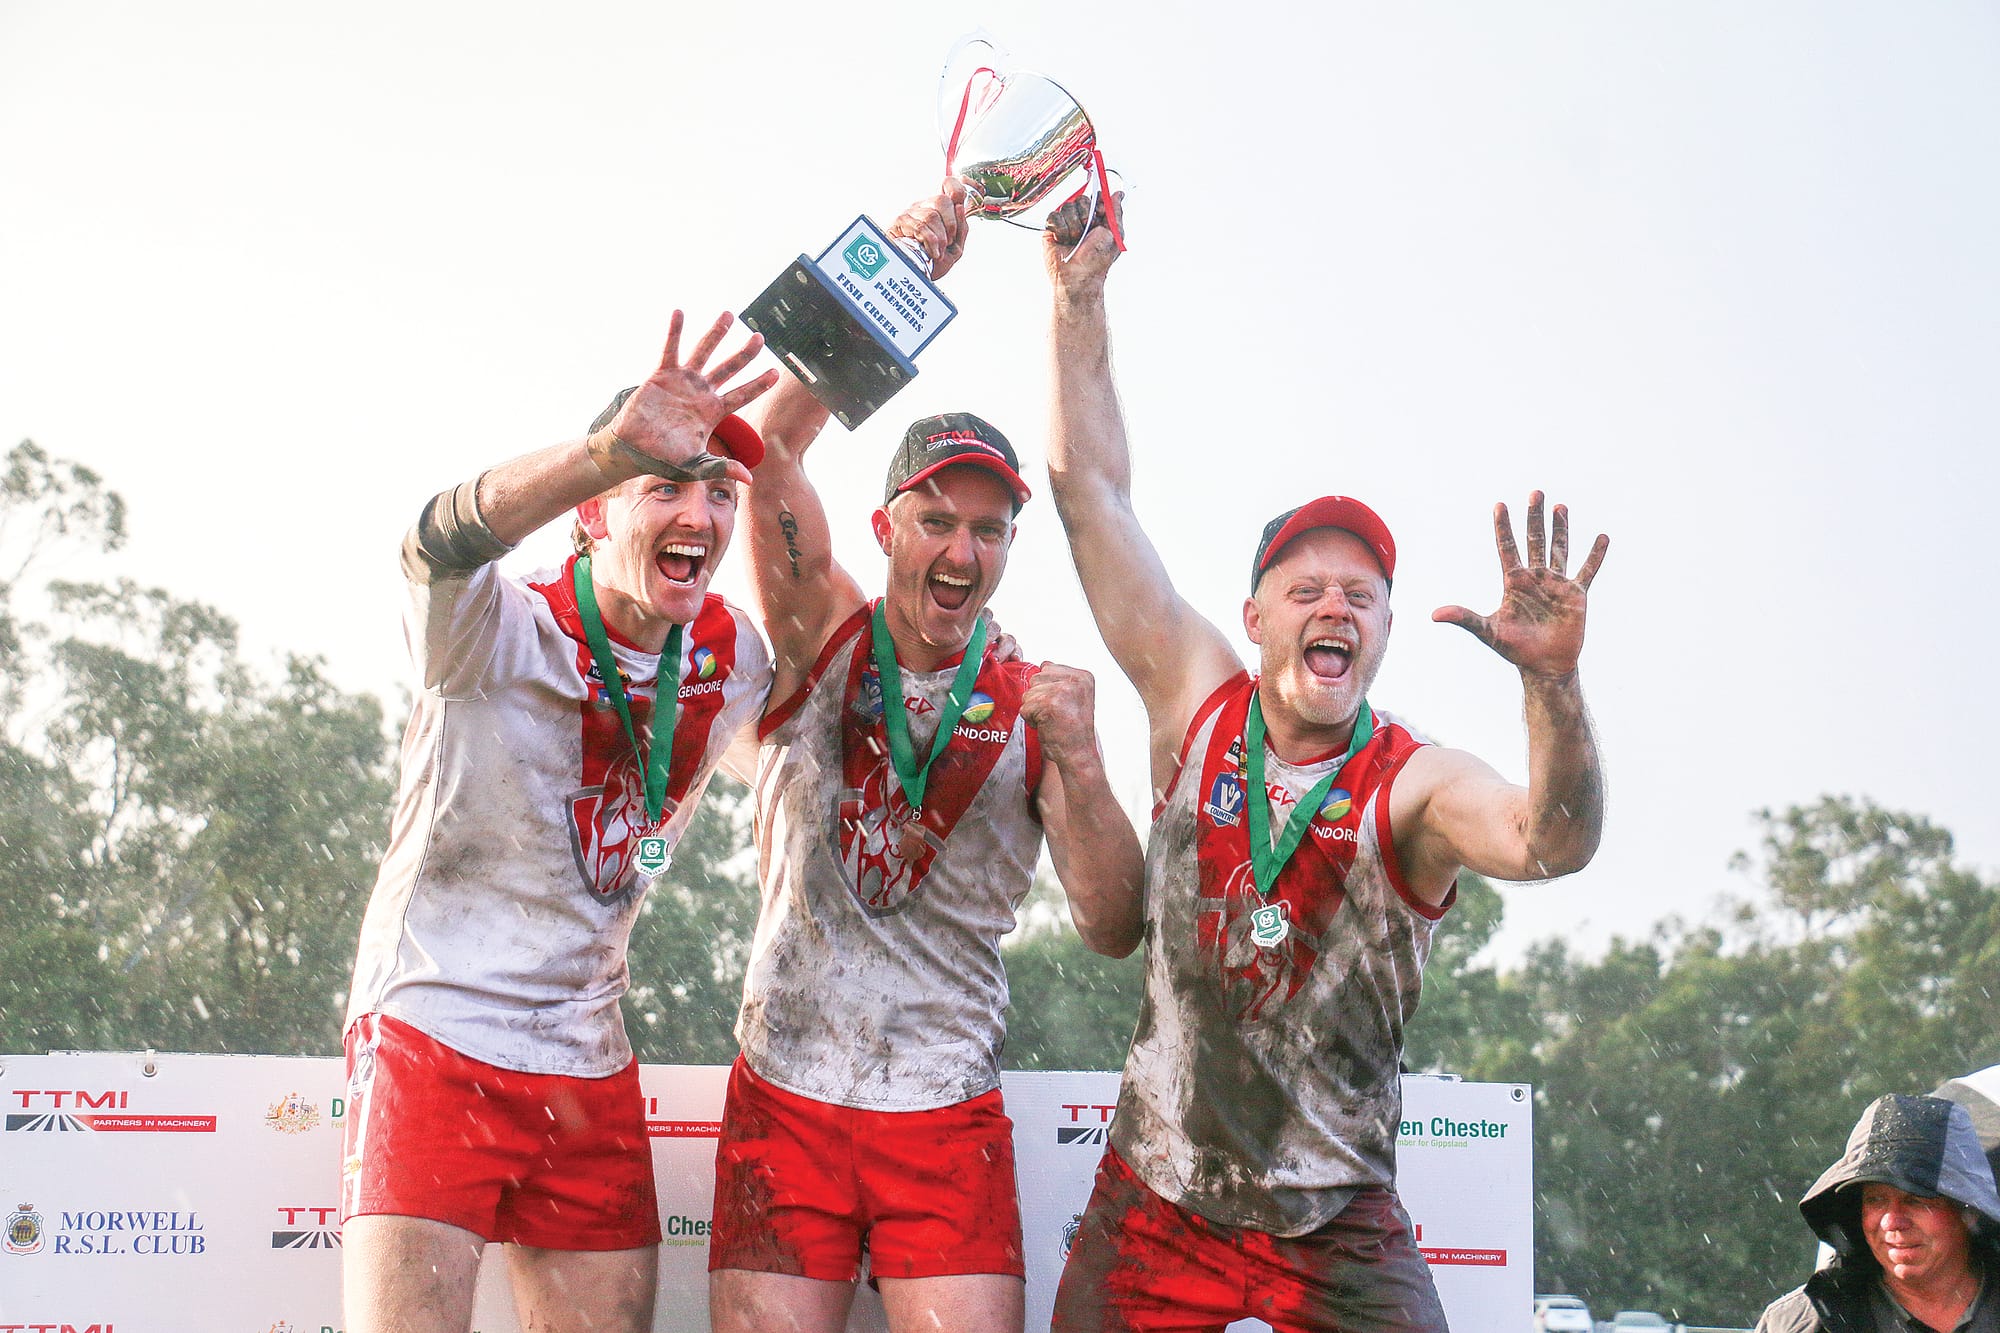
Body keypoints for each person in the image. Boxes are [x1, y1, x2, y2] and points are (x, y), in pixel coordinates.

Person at [1040, 194, 1610, 1332]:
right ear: (1253, 617)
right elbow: (1088, 493)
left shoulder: (1415, 783)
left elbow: (1553, 841)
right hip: (1159, 1197)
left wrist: (1548, 681)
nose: (1332, 607)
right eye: (1305, 589)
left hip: (1336, 1217)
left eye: (1359, 595)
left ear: (1385, 630)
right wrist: (1075, 297)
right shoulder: (1195, 699)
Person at [704, 188, 1147, 1333]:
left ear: (1007, 545)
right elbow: (764, 443)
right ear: (886, 525)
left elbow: (1112, 925)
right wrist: (890, 283)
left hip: (941, 1106)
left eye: (986, 528)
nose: (960, 549)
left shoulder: (1033, 701)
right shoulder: (821, 629)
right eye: (935, 519)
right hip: (786, 1087)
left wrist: (1085, 767)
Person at [339, 312, 778, 1333]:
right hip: (434, 1029)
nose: (700, 511)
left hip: (585, 1059)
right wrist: (595, 455)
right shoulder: (499, 628)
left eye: (718, 488)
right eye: (662, 483)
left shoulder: (734, 658)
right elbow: (429, 542)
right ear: (592, 514)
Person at [1757, 1093, 2000, 1333]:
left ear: (1970, 1210)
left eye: (1915, 1200)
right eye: (1876, 1200)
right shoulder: (1794, 1325)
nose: (1892, 1221)